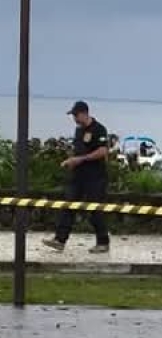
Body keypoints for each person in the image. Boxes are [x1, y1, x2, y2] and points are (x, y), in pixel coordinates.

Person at [42, 101, 111, 254]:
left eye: (76, 115)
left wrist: (81, 159)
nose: (74, 118)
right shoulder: (78, 131)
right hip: (78, 176)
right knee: (68, 206)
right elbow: (78, 151)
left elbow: (102, 151)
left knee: (95, 209)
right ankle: (60, 240)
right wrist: (71, 161)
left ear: (84, 113)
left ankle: (103, 242)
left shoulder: (98, 129)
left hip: (95, 177)